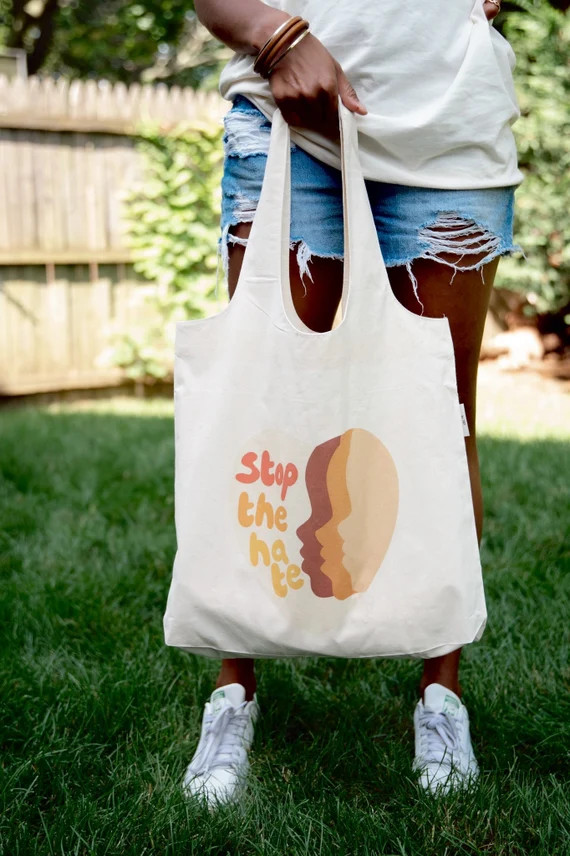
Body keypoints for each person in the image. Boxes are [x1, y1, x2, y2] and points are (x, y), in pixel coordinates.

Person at [182, 0, 521, 806]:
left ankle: (442, 698)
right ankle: (235, 694)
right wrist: (277, 36)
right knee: (260, 410)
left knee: (441, 420)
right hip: (284, 110)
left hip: (451, 126)